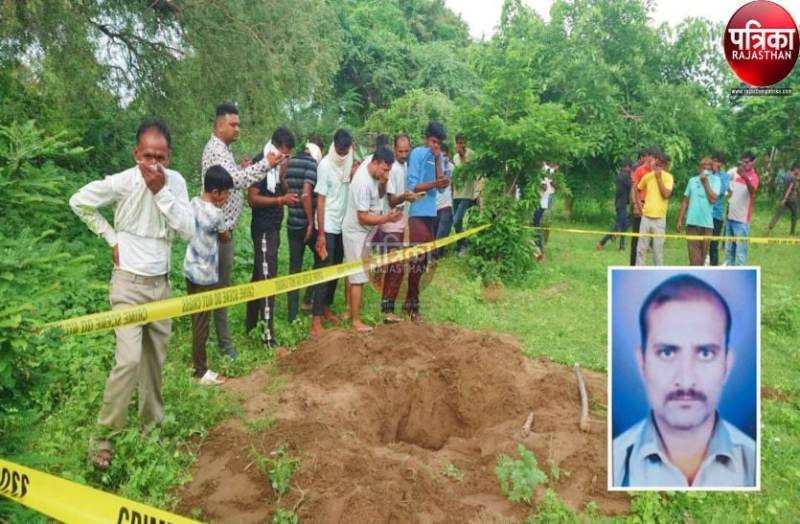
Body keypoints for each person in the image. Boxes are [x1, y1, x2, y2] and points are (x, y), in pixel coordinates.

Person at [69, 119, 194, 469]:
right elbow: (79, 202)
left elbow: (187, 230)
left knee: (154, 361)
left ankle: (150, 429)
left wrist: (161, 191)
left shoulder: (176, 183)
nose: (154, 164)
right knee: (128, 360)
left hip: (161, 285)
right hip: (128, 284)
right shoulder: (122, 182)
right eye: (147, 156)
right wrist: (111, 238)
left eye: (161, 157)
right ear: (136, 154)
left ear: (169, 156)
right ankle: (103, 438)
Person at [613, 274, 756, 488]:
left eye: (705, 353)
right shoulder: (615, 462)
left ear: (727, 364)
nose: (686, 381)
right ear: (642, 362)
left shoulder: (753, 463)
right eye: (667, 353)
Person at [201, 103, 286, 359]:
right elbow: (234, 182)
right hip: (219, 231)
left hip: (223, 230)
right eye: (233, 124)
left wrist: (241, 166)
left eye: (238, 124)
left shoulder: (223, 151)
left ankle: (219, 343)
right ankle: (223, 347)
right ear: (219, 125)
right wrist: (265, 166)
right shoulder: (215, 150)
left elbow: (231, 177)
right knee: (218, 291)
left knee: (220, 289)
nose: (237, 129)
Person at [341, 147, 403, 332]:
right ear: (375, 163)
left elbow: (381, 194)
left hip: (364, 231)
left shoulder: (373, 170)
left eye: (389, 170)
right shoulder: (362, 183)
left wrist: (384, 181)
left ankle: (349, 311)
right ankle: (356, 321)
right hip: (356, 232)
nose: (387, 173)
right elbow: (362, 217)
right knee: (358, 277)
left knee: (352, 272)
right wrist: (386, 218)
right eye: (384, 170)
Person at [245, 127, 297, 347]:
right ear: (276, 148)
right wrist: (279, 201)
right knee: (267, 280)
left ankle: (249, 326)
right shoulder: (261, 163)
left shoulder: (276, 167)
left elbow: (281, 189)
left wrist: (283, 174)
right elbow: (252, 198)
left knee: (260, 275)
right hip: (264, 228)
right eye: (284, 154)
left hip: (274, 228)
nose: (286, 158)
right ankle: (268, 337)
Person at [183, 165, 234, 386]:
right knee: (202, 324)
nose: (226, 199)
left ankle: (196, 360)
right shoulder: (216, 214)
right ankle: (200, 371)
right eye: (225, 194)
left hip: (189, 270)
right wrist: (227, 232)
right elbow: (225, 237)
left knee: (196, 320)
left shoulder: (193, 203)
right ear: (215, 192)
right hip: (205, 276)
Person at [310, 129, 356, 337]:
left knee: (337, 268)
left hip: (342, 222)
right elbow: (319, 200)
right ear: (334, 145)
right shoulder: (325, 166)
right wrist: (320, 233)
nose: (343, 153)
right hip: (327, 224)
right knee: (324, 269)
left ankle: (326, 307)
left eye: (346, 150)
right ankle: (316, 319)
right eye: (340, 149)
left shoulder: (349, 156)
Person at [406, 121, 450, 321]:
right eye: (433, 141)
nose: (435, 146)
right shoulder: (416, 154)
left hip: (432, 214)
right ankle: (413, 307)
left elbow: (440, 189)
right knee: (417, 259)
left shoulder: (438, 157)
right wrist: (434, 182)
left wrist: (439, 162)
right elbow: (414, 187)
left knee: (423, 262)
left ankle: (410, 302)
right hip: (416, 213)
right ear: (426, 139)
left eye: (438, 143)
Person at [285, 139, 323, 323]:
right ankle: (309, 299)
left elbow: (283, 183)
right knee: (322, 258)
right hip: (306, 225)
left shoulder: (289, 162)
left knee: (294, 268)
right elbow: (307, 193)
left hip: (292, 223)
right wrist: (310, 222)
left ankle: (292, 314)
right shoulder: (311, 164)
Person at [381, 133, 415, 324]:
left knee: (395, 267)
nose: (403, 154)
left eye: (406, 151)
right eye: (400, 151)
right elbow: (392, 199)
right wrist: (406, 197)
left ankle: (387, 307)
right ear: (395, 149)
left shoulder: (405, 165)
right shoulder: (392, 168)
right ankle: (388, 311)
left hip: (401, 220)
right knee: (397, 268)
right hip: (390, 221)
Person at [676, 158, 721, 266]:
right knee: (694, 258)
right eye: (703, 168)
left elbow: (713, 199)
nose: (706, 171)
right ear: (699, 169)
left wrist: (705, 183)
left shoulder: (716, 180)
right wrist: (680, 219)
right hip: (692, 223)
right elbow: (685, 201)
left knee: (702, 258)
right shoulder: (692, 180)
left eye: (708, 169)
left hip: (707, 225)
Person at [635, 152, 673, 266]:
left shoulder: (668, 177)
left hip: (659, 219)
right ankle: (639, 273)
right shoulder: (647, 177)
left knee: (657, 251)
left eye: (660, 165)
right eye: (656, 164)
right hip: (646, 217)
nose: (657, 167)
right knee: (641, 249)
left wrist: (659, 178)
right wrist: (638, 205)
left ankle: (658, 272)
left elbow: (666, 194)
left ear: (665, 166)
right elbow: (637, 189)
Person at [725, 152, 759, 266]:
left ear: (753, 163)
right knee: (729, 251)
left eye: (747, 162)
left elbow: (752, 192)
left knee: (741, 253)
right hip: (730, 218)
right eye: (742, 162)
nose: (744, 164)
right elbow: (732, 194)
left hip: (742, 221)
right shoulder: (736, 174)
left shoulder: (754, 177)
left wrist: (745, 177)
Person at [598, 160, 634, 251]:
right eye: (630, 167)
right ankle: (602, 242)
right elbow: (632, 185)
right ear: (626, 166)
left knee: (624, 225)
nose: (631, 169)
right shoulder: (624, 176)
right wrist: (633, 176)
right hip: (621, 204)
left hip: (622, 203)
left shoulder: (621, 175)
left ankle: (621, 246)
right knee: (618, 225)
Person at [451, 133, 478, 254]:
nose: (460, 145)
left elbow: (472, 172)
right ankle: (460, 245)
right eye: (458, 143)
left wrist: (463, 156)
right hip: (456, 193)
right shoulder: (455, 157)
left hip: (467, 194)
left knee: (456, 220)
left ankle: (464, 245)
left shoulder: (471, 154)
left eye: (462, 142)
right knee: (458, 222)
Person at [630, 148, 655, 266]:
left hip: (653, 208)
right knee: (636, 238)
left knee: (650, 240)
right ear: (647, 157)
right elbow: (634, 188)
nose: (652, 159)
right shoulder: (640, 170)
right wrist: (635, 205)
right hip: (640, 204)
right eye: (651, 156)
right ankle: (633, 265)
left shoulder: (658, 172)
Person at [708, 153, 731, 266]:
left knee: (713, 244)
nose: (713, 163)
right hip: (704, 214)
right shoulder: (706, 174)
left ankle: (714, 267)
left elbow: (720, 191)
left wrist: (716, 174)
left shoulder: (725, 176)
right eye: (712, 160)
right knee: (702, 243)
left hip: (716, 214)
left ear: (721, 164)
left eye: (716, 161)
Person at [765, 164, 798, 236]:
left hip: (783, 198)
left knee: (778, 214)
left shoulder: (786, 175)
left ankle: (769, 228)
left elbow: (784, 187)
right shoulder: (793, 178)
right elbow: (789, 188)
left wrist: (783, 199)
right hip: (791, 199)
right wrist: (785, 198)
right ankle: (792, 233)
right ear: (795, 169)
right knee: (794, 215)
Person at [434, 143, 455, 250]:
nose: (445, 158)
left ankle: (437, 254)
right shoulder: (433, 168)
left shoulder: (452, 168)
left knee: (442, 231)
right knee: (434, 235)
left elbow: (455, 186)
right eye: (443, 155)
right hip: (434, 206)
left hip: (446, 205)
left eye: (447, 155)